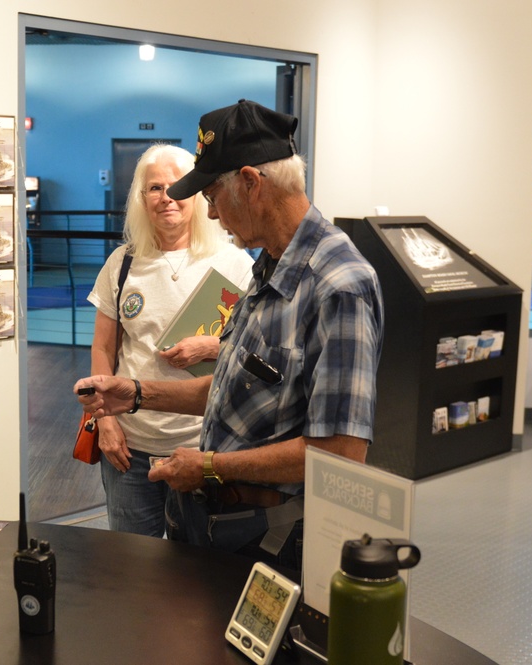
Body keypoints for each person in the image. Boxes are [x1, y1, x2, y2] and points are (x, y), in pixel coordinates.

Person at [75, 100, 384, 571]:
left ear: (250, 183)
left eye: (213, 196)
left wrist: (210, 467)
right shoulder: (269, 266)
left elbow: (339, 455)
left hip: (272, 538)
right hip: (220, 522)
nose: (213, 214)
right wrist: (135, 394)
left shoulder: (338, 286)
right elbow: (231, 388)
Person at [87, 144, 254, 537]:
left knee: (195, 576)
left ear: (198, 194)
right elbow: (102, 349)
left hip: (203, 447)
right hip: (131, 449)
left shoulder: (234, 264)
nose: (167, 198)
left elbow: (255, 352)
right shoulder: (122, 263)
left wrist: (211, 347)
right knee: (133, 569)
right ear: (141, 199)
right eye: (155, 188)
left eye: (177, 187)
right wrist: (105, 420)